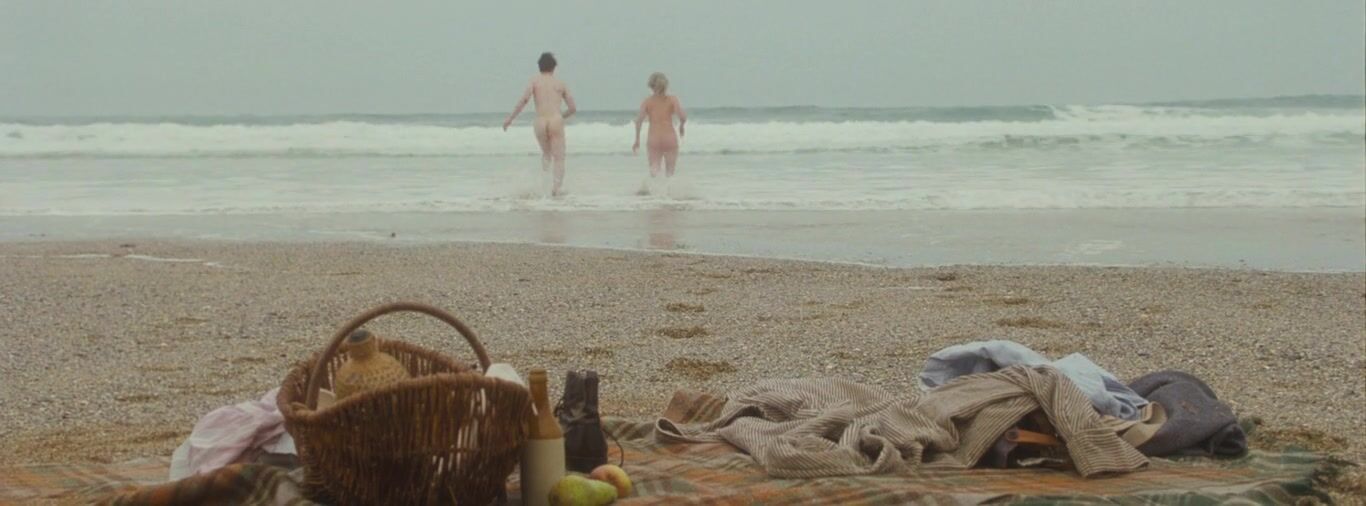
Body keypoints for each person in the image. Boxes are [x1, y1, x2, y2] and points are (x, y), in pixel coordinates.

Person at [504, 52, 577, 197]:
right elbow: (573, 108)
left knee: (546, 154)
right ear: (554, 67)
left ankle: (544, 186)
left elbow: (524, 100)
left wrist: (510, 118)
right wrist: (561, 117)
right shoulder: (560, 83)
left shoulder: (534, 81)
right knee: (559, 157)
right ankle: (556, 189)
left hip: (540, 121)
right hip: (555, 120)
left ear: (539, 67)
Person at [633, 72, 687, 184]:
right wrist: (681, 126)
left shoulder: (647, 101)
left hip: (654, 139)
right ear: (665, 85)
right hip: (669, 137)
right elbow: (682, 116)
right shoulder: (672, 99)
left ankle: (655, 193)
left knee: (654, 172)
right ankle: (669, 193)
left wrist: (637, 140)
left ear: (651, 86)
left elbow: (638, 121)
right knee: (670, 173)